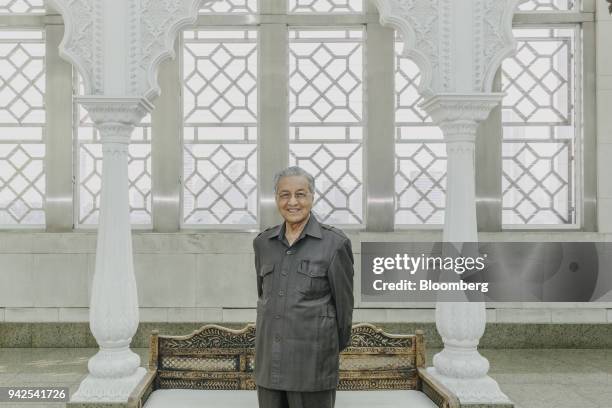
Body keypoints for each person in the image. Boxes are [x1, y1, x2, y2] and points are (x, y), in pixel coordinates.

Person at [253, 166, 355, 408]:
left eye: (300, 194)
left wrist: (324, 350)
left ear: (312, 196)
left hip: (313, 368)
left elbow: (344, 312)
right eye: (284, 194)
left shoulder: (335, 244)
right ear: (276, 198)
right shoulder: (262, 244)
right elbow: (264, 297)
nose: (292, 202)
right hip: (270, 366)